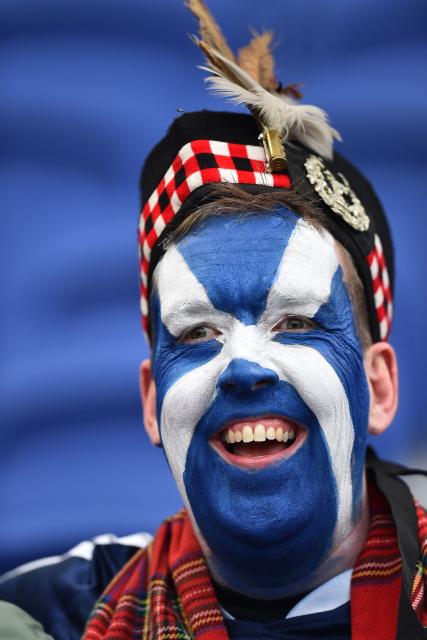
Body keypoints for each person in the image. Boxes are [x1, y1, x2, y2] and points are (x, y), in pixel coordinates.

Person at [0, 1, 426, 638]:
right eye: (198, 333)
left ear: (381, 387)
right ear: (151, 401)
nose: (245, 365)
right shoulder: (41, 616)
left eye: (297, 323)